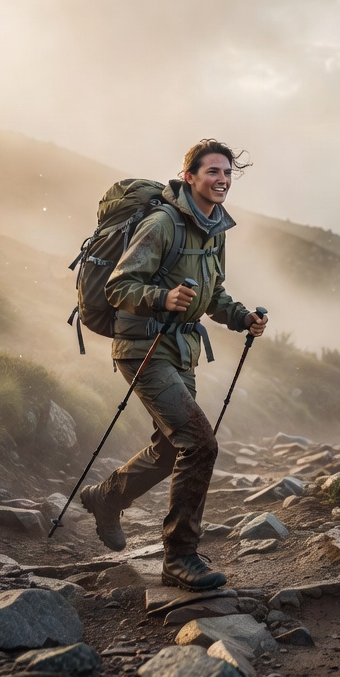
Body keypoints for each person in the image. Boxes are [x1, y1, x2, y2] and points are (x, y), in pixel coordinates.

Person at [78, 139, 267, 591]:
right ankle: (180, 557)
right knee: (200, 444)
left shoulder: (215, 228)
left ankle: (106, 498)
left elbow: (213, 293)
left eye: (227, 173)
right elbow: (120, 286)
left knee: (173, 447)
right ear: (190, 177)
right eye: (212, 172)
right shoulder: (163, 223)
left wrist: (242, 316)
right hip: (142, 346)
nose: (221, 180)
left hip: (181, 350)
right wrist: (161, 297)